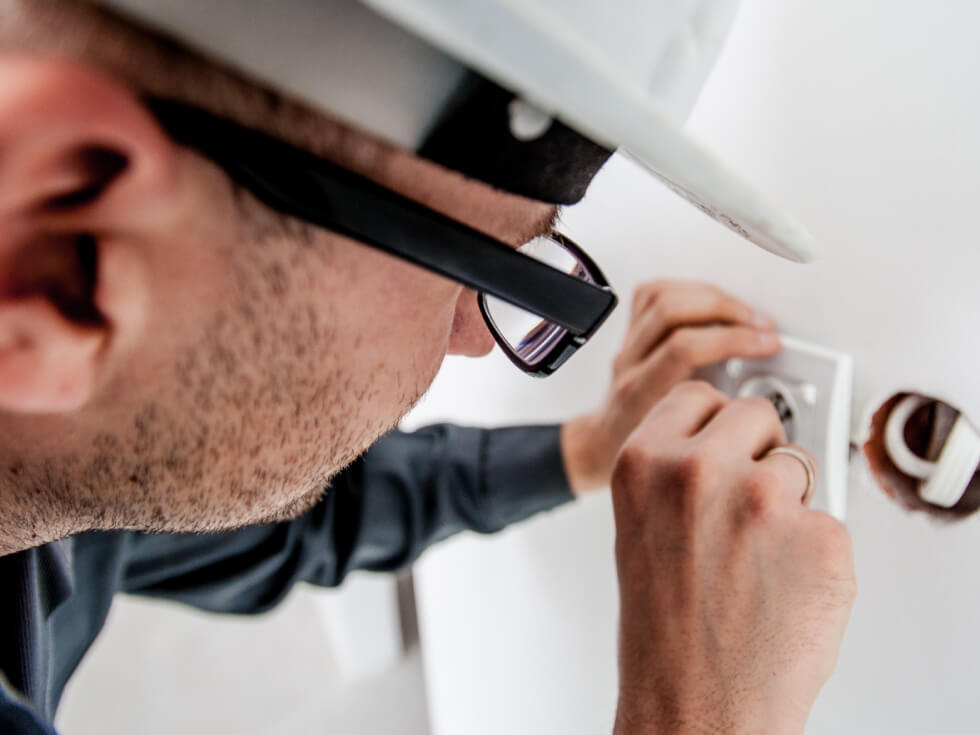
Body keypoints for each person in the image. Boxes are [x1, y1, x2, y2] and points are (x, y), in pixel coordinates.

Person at [0, 1, 857, 734]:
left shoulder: (59, 490)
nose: (474, 339)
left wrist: (589, 450)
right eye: (481, 269)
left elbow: (303, 518)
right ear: (63, 251)